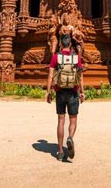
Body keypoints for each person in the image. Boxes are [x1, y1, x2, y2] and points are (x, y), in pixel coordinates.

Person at [46, 32, 84, 161]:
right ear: (71, 44)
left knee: (61, 120)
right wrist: (82, 91)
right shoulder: (76, 58)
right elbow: (80, 76)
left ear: (61, 44)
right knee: (73, 119)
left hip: (60, 91)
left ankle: (61, 151)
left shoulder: (56, 57)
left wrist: (48, 91)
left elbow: (51, 75)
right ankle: (70, 137)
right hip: (73, 91)